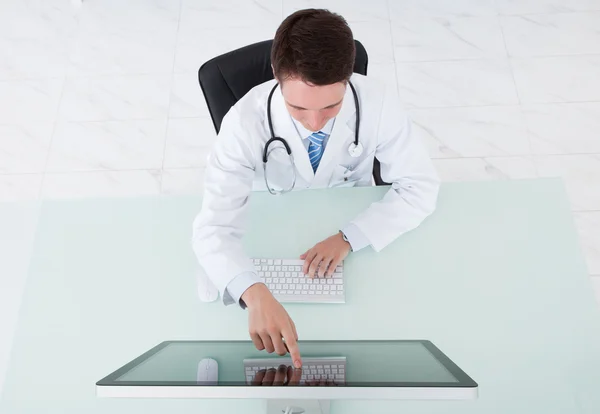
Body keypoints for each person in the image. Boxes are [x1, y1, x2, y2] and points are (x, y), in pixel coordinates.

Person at [192, 9, 440, 370]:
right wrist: (253, 293)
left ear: (348, 78)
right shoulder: (243, 122)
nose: (314, 122)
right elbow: (212, 229)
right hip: (270, 220)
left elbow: (420, 187)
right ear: (277, 80)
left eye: (331, 106)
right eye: (298, 108)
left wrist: (350, 237)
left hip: (347, 224)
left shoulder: (378, 102)